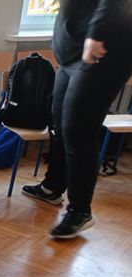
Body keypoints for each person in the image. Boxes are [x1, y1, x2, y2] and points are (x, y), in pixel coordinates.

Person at [21, 0, 132, 238]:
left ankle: (80, 211)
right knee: (59, 123)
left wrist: (96, 34)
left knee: (79, 131)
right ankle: (52, 187)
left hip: (102, 51)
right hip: (72, 51)